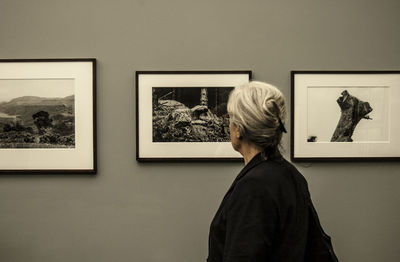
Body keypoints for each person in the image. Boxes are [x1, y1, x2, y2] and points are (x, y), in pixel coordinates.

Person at [207, 81, 315, 261]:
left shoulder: (254, 186)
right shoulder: (290, 174)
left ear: (239, 129)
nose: (229, 125)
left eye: (230, 118)